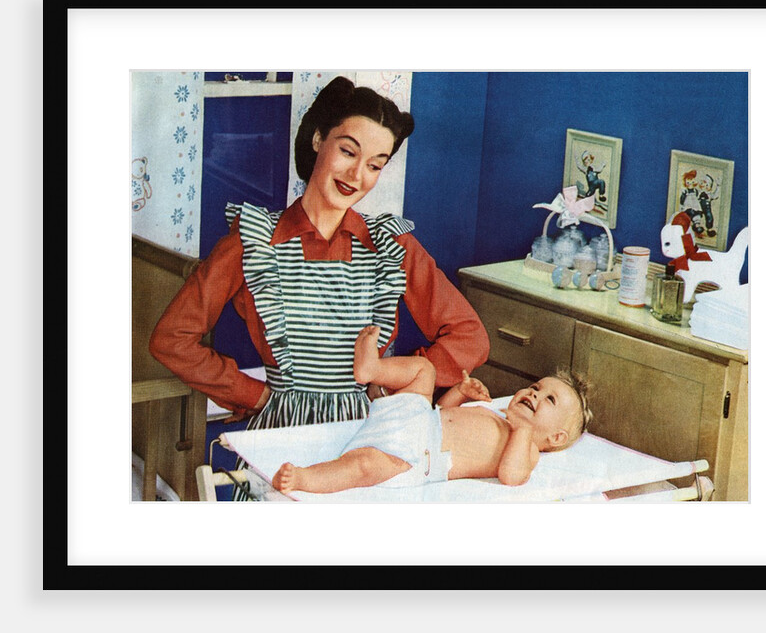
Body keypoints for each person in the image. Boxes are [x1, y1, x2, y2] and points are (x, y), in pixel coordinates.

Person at [149, 76, 489, 439]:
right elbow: (172, 340)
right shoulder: (252, 240)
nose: (357, 175)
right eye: (348, 152)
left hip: (369, 435)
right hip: (284, 435)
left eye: (375, 165)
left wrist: (390, 381)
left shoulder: (392, 246)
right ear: (318, 140)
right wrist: (255, 394)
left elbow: (470, 338)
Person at [272, 326, 592, 494]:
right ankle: (371, 369)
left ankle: (305, 479)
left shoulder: (529, 450)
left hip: (416, 454)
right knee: (424, 371)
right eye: (536, 388)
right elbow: (441, 412)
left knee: (367, 464)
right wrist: (459, 392)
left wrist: (522, 429)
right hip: (417, 420)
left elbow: (511, 476)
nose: (535, 395)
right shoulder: (493, 412)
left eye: (549, 400)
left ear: (556, 437)